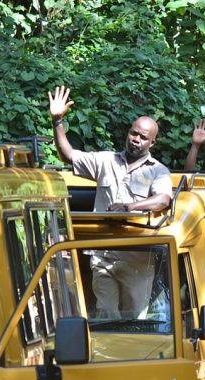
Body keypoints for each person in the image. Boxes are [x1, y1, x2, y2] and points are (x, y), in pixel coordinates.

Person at [48, 85, 172, 319]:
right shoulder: (105, 160)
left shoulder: (158, 171)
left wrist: (130, 207)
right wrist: (57, 121)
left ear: (152, 143)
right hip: (103, 255)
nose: (136, 140)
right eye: (133, 133)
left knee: (134, 320)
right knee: (107, 316)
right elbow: (68, 155)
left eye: (143, 137)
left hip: (136, 259)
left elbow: (163, 199)